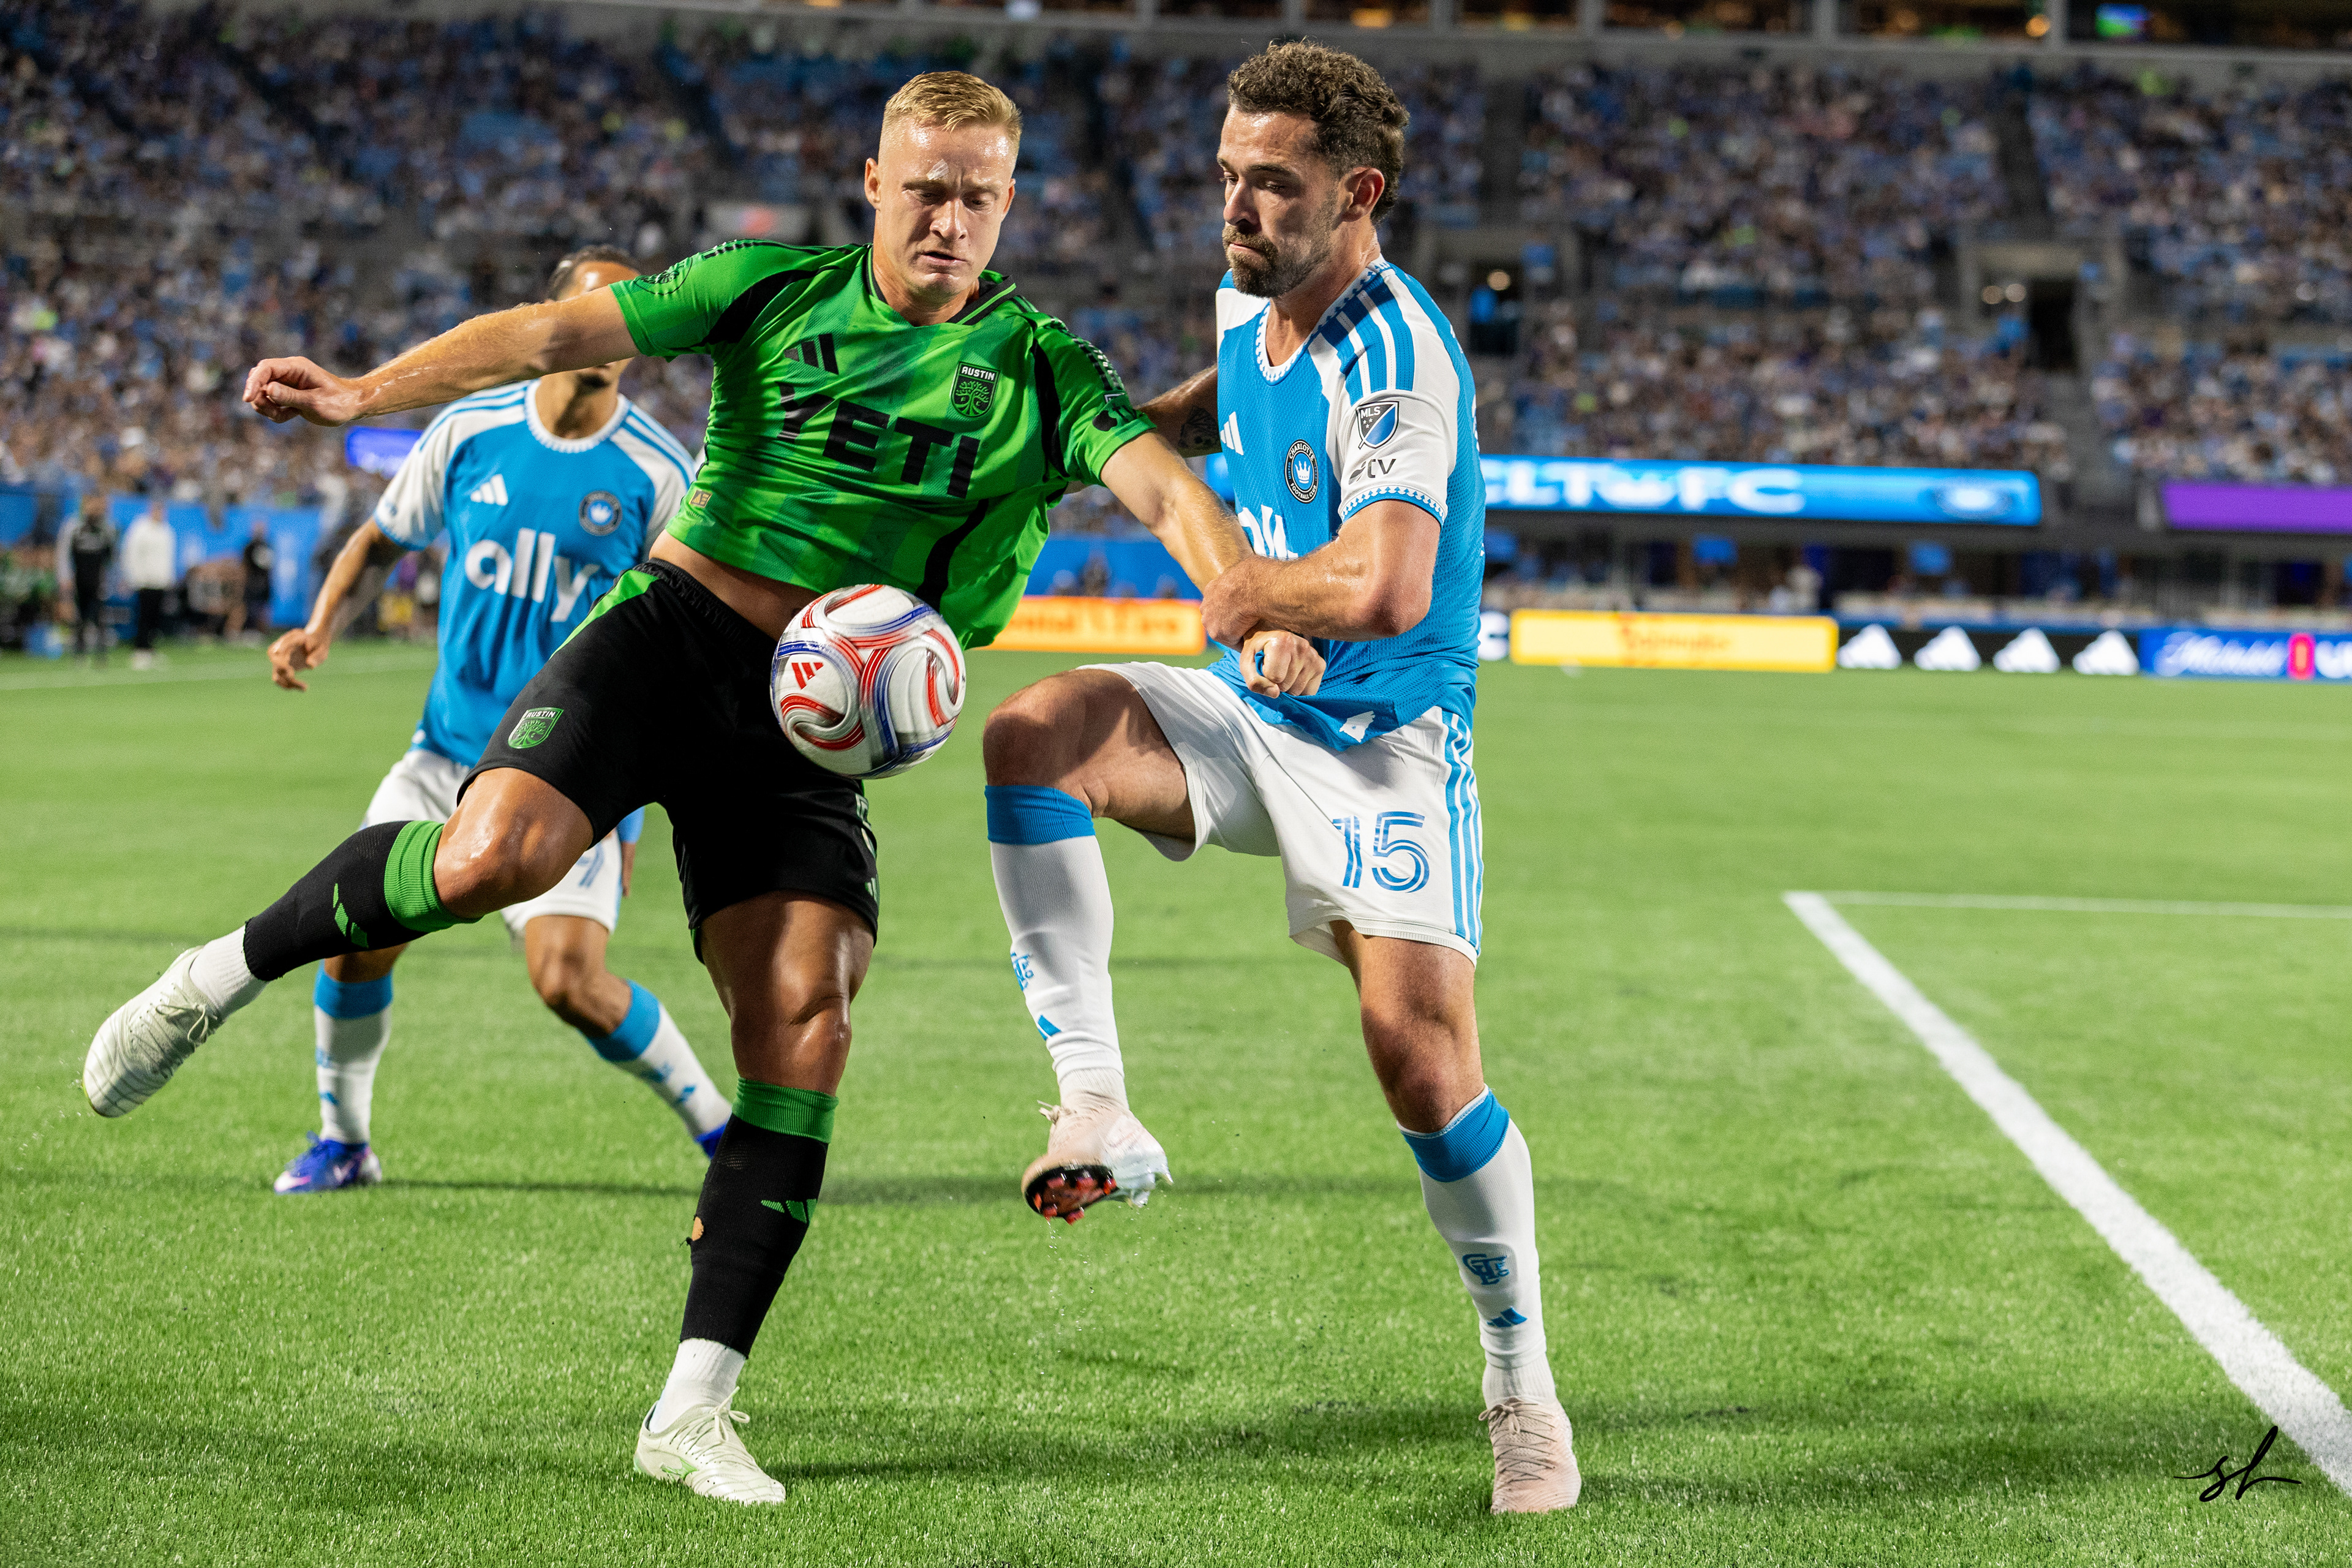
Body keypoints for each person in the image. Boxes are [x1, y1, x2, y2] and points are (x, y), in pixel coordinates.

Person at [83, 71, 1319, 1508]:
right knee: (487, 859)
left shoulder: (1042, 366)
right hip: (671, 639)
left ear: (1008, 205)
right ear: (874, 183)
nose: (949, 219)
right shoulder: (766, 290)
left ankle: (692, 1409)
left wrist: (1249, 600)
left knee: (806, 1021)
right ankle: (213, 976)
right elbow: (552, 333)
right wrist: (364, 393)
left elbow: (1165, 489)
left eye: (978, 197)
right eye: (925, 188)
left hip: (817, 726)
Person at [978, 42, 1580, 1514]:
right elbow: (1223, 406)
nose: (1237, 207)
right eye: (1228, 176)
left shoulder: (1398, 360)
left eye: (1272, 183)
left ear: (1356, 195)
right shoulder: (1249, 295)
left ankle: (1521, 1382)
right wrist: (1120, 438)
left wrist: (1252, 592)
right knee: (1034, 733)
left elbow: (1386, 584)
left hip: (1385, 744)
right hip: (1261, 712)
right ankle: (1095, 1106)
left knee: (1420, 1061)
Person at [261, 245, 731, 1196]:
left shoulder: (657, 471)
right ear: (551, 320)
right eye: (592, 313)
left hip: (572, 771)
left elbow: (674, 645)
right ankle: (345, 1142)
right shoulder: (470, 428)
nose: (609, 334)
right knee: (355, 942)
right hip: (445, 754)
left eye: (629, 317)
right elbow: (382, 539)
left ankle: (725, 1134)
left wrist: (629, 808)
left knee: (570, 981)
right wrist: (319, 625)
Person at [123, 500, 177, 670]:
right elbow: (131, 553)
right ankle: (140, 649)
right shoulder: (140, 528)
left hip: (160, 581)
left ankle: (150, 648)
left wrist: (168, 577)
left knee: (155, 616)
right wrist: (134, 576)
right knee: (144, 615)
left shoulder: (166, 530)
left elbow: (168, 557)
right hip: (144, 580)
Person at [61, 497, 116, 663]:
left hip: (98, 580)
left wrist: (111, 577)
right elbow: (64, 554)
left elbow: (111, 556)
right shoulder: (74, 526)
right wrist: (65, 577)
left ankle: (101, 653)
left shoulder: (105, 528)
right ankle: (80, 652)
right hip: (79, 579)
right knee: (80, 617)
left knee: (99, 617)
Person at [236, 519, 275, 639]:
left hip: (263, 584)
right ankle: (248, 630)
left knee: (262, 609)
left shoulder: (267, 546)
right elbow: (245, 566)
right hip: (251, 583)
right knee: (249, 608)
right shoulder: (249, 547)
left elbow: (268, 567)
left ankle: (261, 630)